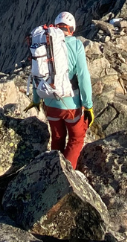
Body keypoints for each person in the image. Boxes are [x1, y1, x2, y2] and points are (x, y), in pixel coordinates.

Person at [29, 11, 94, 169]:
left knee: (57, 139)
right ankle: (66, 176)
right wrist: (88, 105)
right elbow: (83, 76)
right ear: (71, 29)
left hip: (49, 103)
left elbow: (37, 74)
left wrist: (36, 100)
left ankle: (52, 171)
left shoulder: (44, 42)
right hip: (70, 104)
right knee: (76, 139)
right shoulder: (76, 44)